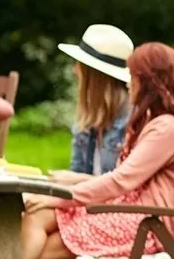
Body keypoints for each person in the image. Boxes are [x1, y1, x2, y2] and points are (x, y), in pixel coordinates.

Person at [0, 43, 174, 259]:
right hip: (128, 213)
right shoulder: (150, 122)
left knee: (36, 254)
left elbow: (120, 180)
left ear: (148, 82)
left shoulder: (165, 129)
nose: (127, 84)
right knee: (38, 214)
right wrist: (59, 193)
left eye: (132, 78)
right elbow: (122, 178)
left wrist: (60, 196)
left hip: (147, 225)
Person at [50, 24, 134, 182]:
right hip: (86, 202)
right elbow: (75, 172)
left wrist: (76, 180)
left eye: (80, 66)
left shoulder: (132, 121)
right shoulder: (88, 117)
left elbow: (123, 186)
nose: (75, 71)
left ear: (94, 78)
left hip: (112, 206)